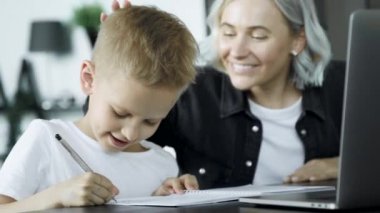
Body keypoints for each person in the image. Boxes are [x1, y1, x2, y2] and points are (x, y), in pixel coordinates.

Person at [0, 5, 199, 212]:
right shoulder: (46, 138)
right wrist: (56, 196)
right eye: (120, 113)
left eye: (151, 121)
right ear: (88, 79)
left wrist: (162, 200)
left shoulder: (163, 165)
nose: (131, 133)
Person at [148, 0, 345, 189]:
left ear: (297, 41)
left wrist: (341, 164)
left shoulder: (345, 85)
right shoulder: (191, 91)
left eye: (258, 36)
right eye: (228, 33)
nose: (237, 51)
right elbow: (127, 143)